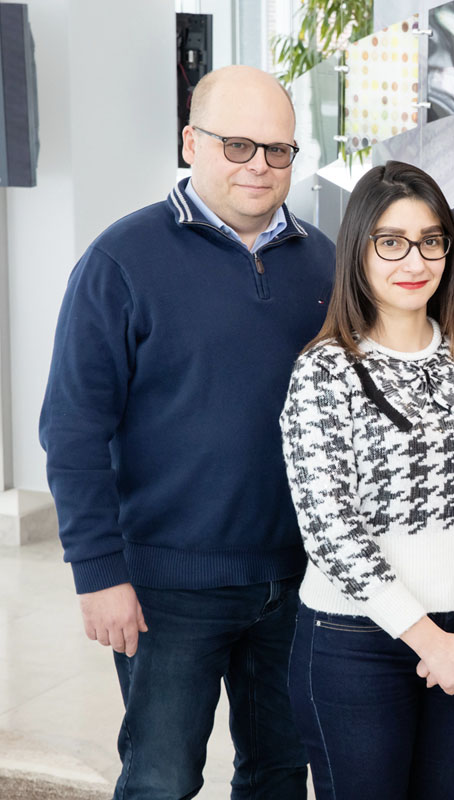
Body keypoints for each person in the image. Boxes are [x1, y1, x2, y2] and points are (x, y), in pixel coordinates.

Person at [39, 66, 333, 798]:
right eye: (237, 145)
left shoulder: (326, 261)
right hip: (167, 586)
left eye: (278, 149)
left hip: (297, 579)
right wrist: (99, 574)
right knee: (162, 778)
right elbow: (72, 431)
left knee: (278, 771)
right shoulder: (121, 261)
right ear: (190, 142)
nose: (259, 166)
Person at [280, 160, 454, 799]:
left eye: (430, 240)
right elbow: (332, 531)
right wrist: (430, 641)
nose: (413, 260)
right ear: (357, 252)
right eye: (390, 242)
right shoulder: (324, 373)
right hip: (353, 642)